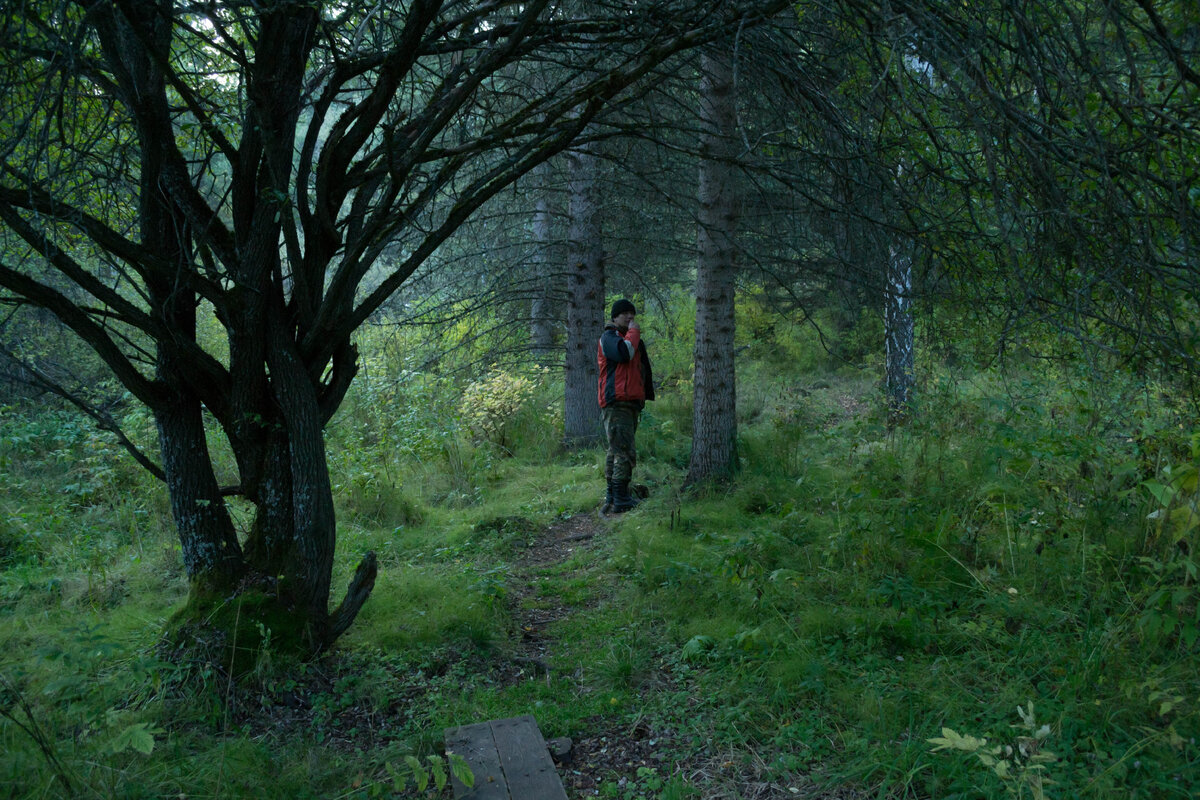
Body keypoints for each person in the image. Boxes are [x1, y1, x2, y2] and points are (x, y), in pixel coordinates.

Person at [597, 298, 654, 513]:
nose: (630, 318)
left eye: (633, 314)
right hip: (617, 402)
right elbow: (624, 353)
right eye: (625, 314)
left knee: (615, 450)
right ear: (614, 317)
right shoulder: (609, 337)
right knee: (624, 451)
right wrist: (634, 332)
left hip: (630, 403)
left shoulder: (628, 338)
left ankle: (613, 494)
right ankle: (621, 499)